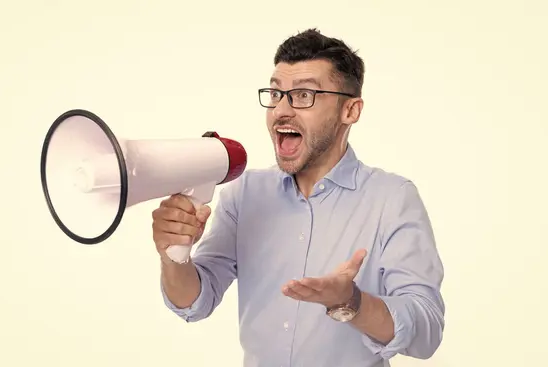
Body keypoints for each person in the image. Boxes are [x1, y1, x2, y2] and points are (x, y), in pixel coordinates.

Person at [152, 28, 445, 367]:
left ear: (350, 110)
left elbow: (426, 331)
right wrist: (174, 254)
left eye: (303, 95)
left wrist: (351, 302)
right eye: (275, 94)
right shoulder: (244, 194)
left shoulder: (392, 198)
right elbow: (194, 302)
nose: (280, 111)